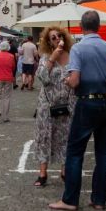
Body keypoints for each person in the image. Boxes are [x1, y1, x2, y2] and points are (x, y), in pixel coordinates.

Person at [50, 10, 106, 211]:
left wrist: (67, 81)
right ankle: (99, 200)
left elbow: (74, 80)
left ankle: (70, 200)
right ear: (99, 26)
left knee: (75, 153)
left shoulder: (78, 49)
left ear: (82, 27)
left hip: (87, 102)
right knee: (103, 153)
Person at [33, 26, 75, 188]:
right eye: (53, 37)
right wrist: (52, 59)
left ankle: (65, 171)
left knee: (66, 137)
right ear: (49, 42)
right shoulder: (45, 57)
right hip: (48, 104)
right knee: (45, 136)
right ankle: (43, 173)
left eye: (59, 36)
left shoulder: (72, 56)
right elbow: (42, 78)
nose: (57, 39)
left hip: (68, 104)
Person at [0, 40, 16, 122]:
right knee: (7, 97)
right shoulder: (11, 56)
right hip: (8, 77)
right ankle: (5, 117)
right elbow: (13, 67)